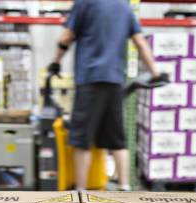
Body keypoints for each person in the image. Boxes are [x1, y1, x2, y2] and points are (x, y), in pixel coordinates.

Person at [49, 0, 160, 191]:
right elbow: (140, 42)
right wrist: (156, 73)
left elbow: (67, 36)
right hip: (115, 81)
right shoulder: (124, 6)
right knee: (117, 138)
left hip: (89, 79)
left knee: (82, 139)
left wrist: (55, 62)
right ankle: (125, 187)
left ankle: (81, 193)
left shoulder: (84, 3)